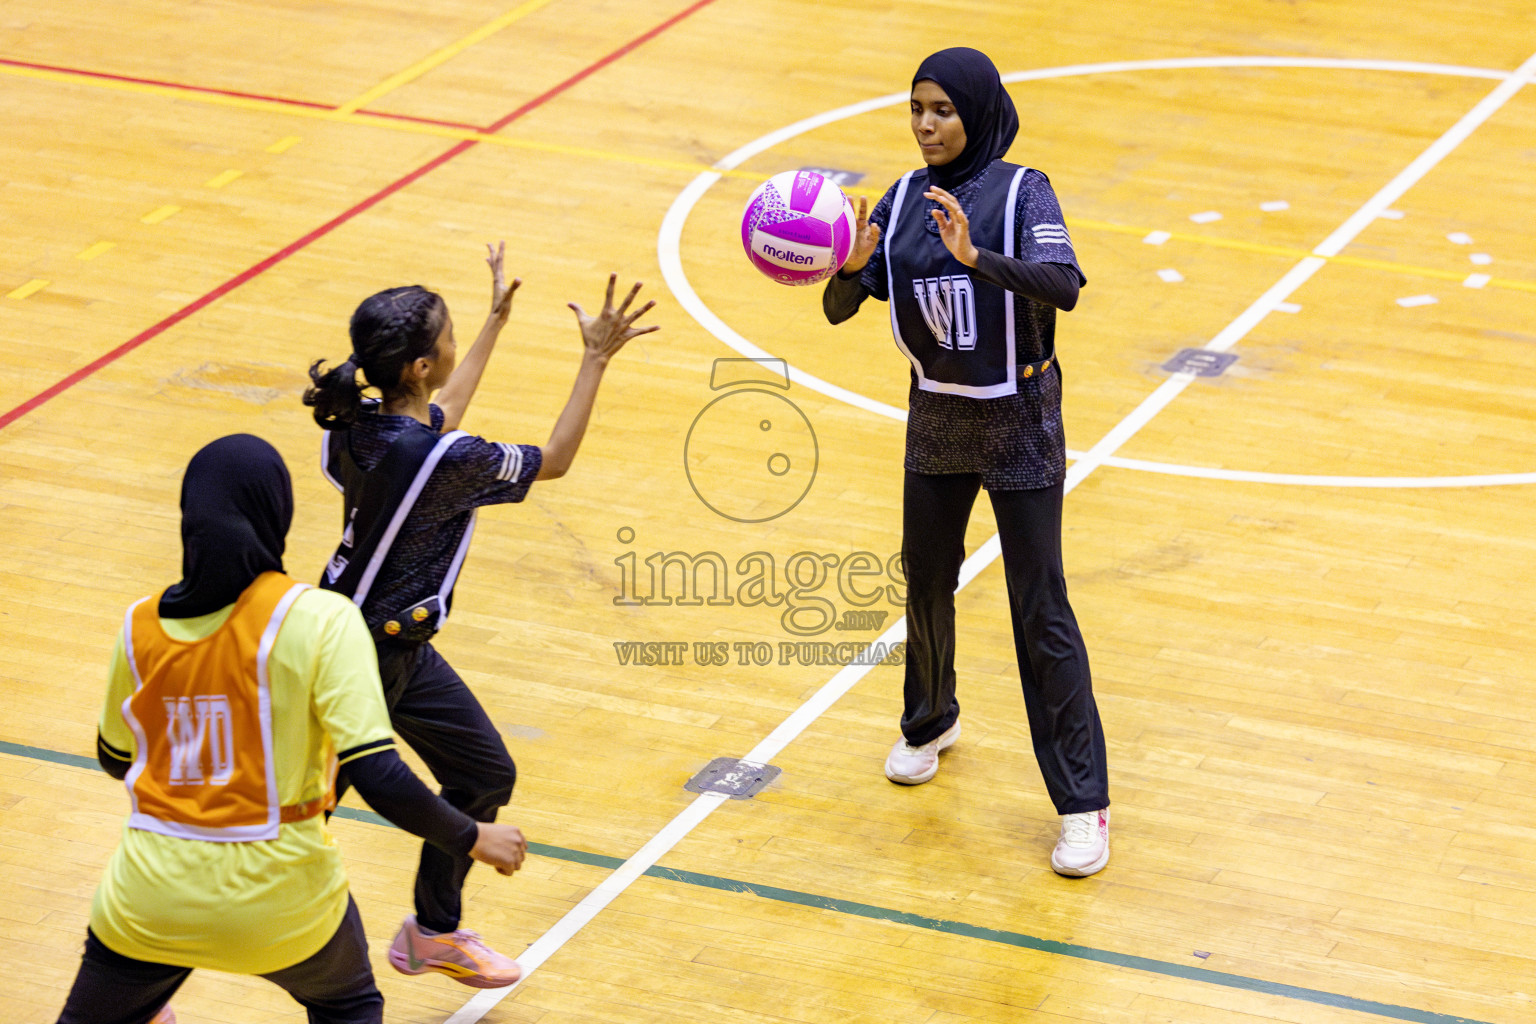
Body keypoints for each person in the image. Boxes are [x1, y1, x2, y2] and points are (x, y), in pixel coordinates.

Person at [61, 435, 529, 1024]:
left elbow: (115, 757)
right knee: (348, 1003)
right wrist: (472, 837)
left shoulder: (139, 625)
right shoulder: (319, 618)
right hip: (280, 903)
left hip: (150, 899)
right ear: (275, 512)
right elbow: (377, 772)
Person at [302, 245, 657, 985]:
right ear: (421, 366)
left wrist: (496, 320)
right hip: (352, 661)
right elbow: (554, 457)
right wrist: (595, 358)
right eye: (453, 334)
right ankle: (154, 965)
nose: (459, 340)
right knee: (296, 828)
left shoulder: (357, 424)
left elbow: (439, 415)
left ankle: (433, 932)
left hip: (384, 642)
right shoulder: (448, 460)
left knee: (484, 770)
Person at [822, 47, 1111, 877]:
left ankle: (1084, 803)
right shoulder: (904, 196)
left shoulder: (1025, 190)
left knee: (1039, 608)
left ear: (977, 112)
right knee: (925, 577)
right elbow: (845, 306)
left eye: (942, 110)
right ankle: (930, 720)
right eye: (916, 108)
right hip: (937, 421)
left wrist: (977, 256)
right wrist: (847, 265)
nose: (925, 125)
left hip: (1020, 419)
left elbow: (1064, 285)